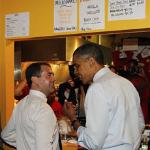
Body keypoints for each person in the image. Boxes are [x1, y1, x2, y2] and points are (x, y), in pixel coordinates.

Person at [65, 42, 145, 150]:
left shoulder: (97, 88)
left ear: (91, 62)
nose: (76, 72)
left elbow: (93, 142)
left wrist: (74, 120)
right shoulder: (126, 83)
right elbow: (140, 124)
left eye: (78, 66)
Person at [1, 62, 60, 150]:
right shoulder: (43, 109)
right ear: (35, 80)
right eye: (49, 75)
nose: (54, 79)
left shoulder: (21, 103)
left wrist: (26, 144)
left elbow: (6, 135)